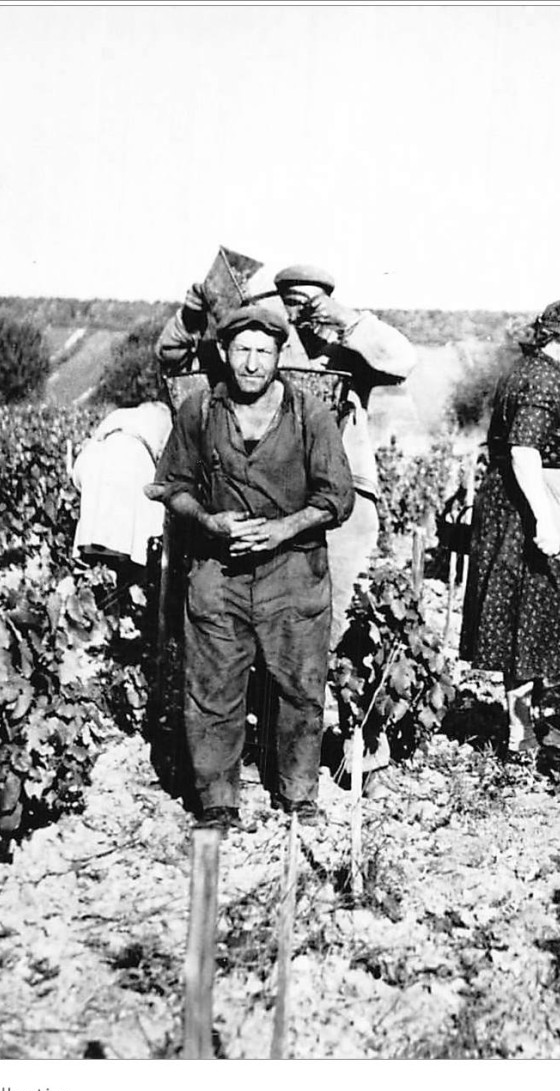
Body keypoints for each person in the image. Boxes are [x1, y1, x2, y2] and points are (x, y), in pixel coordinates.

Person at [150, 305, 354, 831]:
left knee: (300, 688)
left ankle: (296, 794)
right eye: (242, 350)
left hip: (294, 571)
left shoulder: (311, 415)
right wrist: (211, 522)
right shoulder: (199, 411)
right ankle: (217, 800)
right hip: (219, 570)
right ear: (224, 352)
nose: (252, 363)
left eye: (264, 352)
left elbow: (338, 498)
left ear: (279, 356)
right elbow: (172, 486)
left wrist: (284, 528)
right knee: (213, 687)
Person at [156, 264, 419, 649]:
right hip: (258, 499)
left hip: (335, 507)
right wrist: (189, 319)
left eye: (308, 304)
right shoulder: (254, 355)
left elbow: (401, 359)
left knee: (317, 625)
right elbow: (173, 358)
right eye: (288, 304)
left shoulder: (348, 350)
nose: (298, 316)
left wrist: (346, 319)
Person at [460, 298, 560, 756]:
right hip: (522, 517)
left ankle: (525, 726)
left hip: (524, 509)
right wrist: (544, 522)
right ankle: (519, 735)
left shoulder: (540, 372)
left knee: (535, 625)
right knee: (525, 624)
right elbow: (525, 452)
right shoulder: (541, 379)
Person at [69, 394, 174, 580]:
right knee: (132, 533)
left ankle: (99, 573)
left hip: (93, 458)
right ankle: (127, 580)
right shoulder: (164, 418)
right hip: (130, 459)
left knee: (97, 527)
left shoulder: (121, 415)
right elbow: (165, 460)